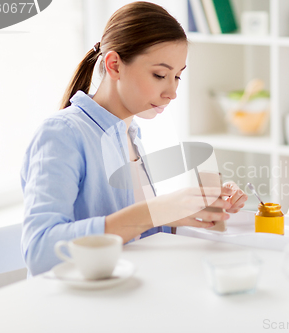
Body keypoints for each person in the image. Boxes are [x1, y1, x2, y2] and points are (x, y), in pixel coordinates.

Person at [20, 2, 247, 276]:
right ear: (114, 65)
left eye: (177, 76)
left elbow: (133, 234)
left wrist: (194, 211)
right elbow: (40, 250)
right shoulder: (62, 134)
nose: (172, 92)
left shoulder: (128, 133)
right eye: (160, 75)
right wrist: (153, 211)